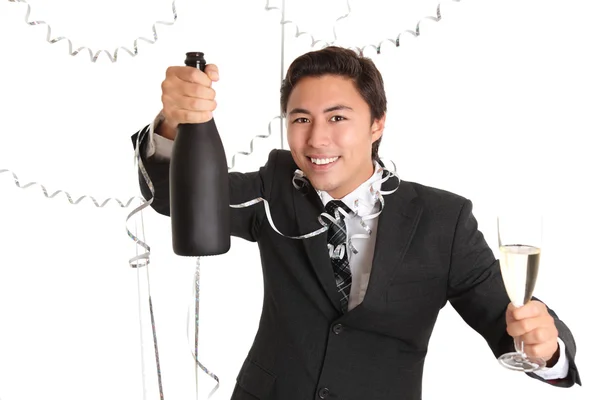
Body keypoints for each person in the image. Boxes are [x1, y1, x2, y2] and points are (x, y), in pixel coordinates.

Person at [131, 46, 581, 400]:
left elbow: (505, 318)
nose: (317, 138)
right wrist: (175, 124)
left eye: (338, 118)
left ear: (377, 123)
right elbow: (178, 200)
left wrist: (547, 349)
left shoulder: (443, 220)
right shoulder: (275, 186)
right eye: (300, 118)